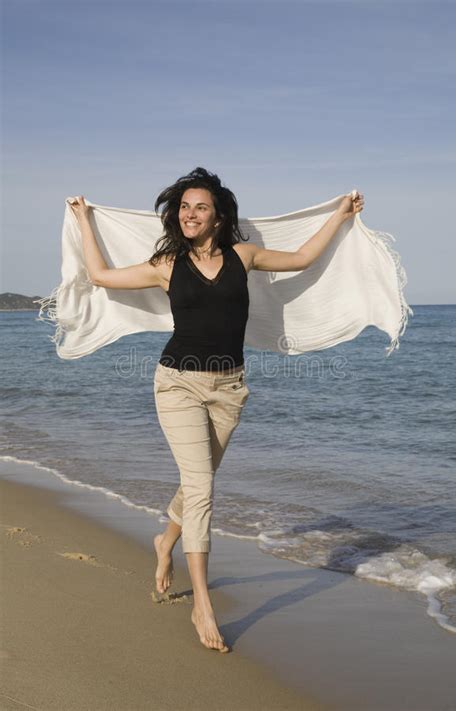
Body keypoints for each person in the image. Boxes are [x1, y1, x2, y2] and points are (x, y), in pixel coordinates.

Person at [69, 167, 364, 653]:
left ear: (219, 216)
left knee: (196, 480)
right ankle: (201, 602)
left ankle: (165, 542)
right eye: (184, 207)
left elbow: (305, 258)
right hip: (177, 384)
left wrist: (339, 215)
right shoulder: (166, 264)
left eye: (199, 207)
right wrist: (84, 219)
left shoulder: (243, 256)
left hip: (230, 389)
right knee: (203, 487)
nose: (189, 214)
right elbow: (100, 276)